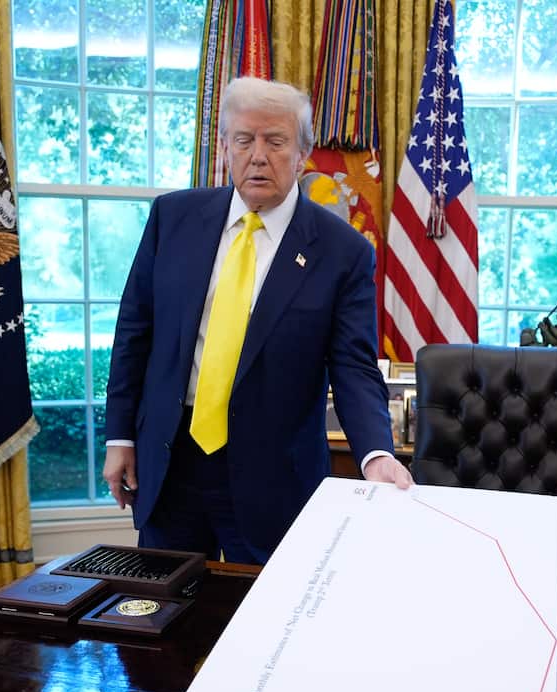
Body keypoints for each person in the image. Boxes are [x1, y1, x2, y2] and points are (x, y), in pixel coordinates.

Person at [102, 77, 411, 565]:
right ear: (225, 147)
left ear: (303, 153)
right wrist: (120, 435)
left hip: (275, 479)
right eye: (244, 140)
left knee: (270, 608)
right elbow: (134, 332)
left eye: (276, 141)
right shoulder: (172, 217)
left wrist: (376, 454)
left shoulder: (343, 251)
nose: (258, 156)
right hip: (171, 460)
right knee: (166, 604)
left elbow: (353, 366)